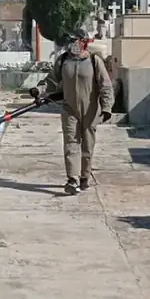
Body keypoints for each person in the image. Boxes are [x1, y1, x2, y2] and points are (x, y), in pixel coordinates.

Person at [30, 29, 114, 195]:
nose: (72, 44)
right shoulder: (63, 61)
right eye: (70, 40)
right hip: (70, 110)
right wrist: (39, 90)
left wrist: (106, 107)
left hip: (90, 111)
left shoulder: (94, 61)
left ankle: (84, 177)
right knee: (71, 144)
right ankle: (72, 179)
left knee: (87, 146)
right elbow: (52, 81)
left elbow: (105, 86)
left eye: (75, 40)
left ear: (83, 42)